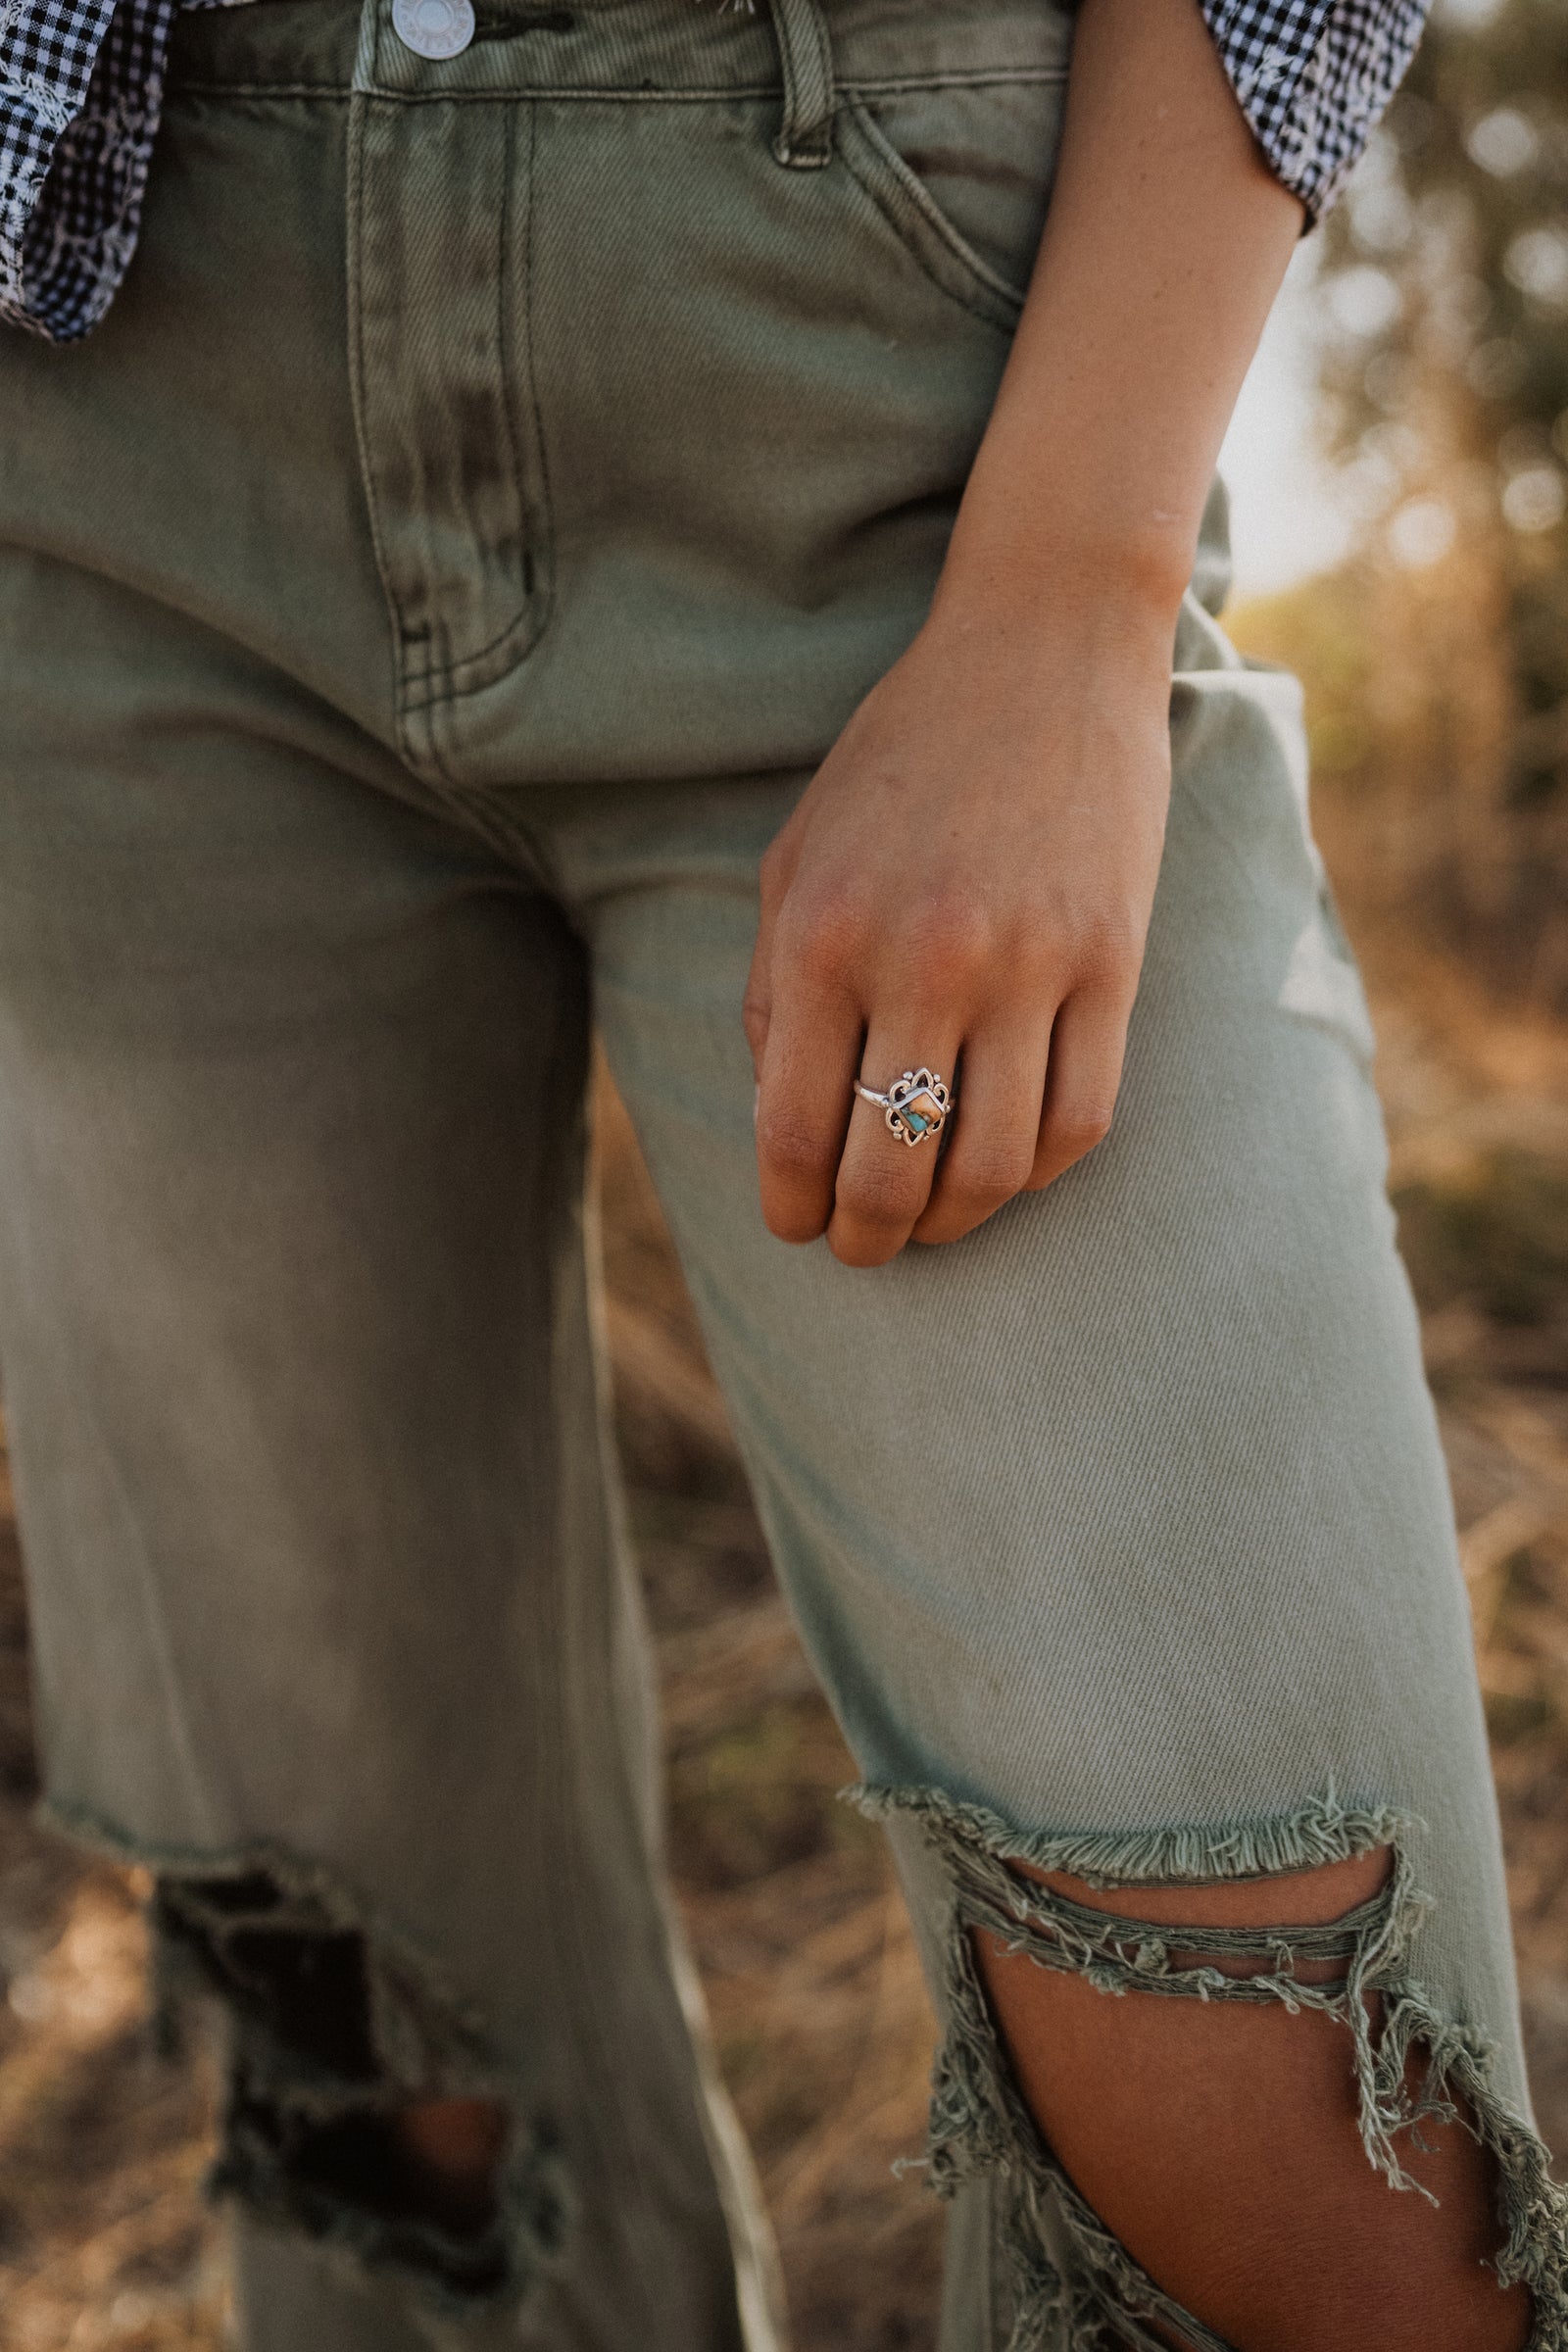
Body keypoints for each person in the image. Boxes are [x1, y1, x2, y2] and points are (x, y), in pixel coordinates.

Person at [1, 0, 1562, 2342]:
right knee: (388, 2100)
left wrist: (1074, 578)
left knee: (1308, 2155)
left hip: (887, 346)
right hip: (115, 433)